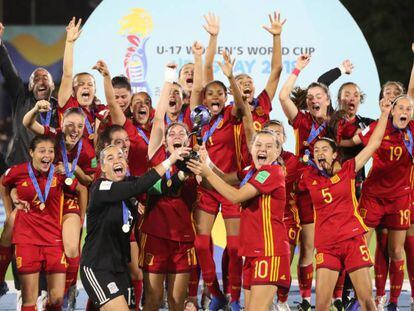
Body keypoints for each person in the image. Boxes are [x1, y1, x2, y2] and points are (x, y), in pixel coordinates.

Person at [187, 130, 290, 311]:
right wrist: (207, 162)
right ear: (251, 148)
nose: (262, 149)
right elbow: (226, 179)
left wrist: (206, 173)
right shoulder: (250, 171)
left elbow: (236, 196)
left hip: (269, 252)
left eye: (268, 146)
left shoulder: (271, 172)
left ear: (278, 151)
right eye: (258, 145)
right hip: (252, 253)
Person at [80, 143, 185, 310]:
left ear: (126, 163)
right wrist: (170, 160)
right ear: (103, 168)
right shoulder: (100, 187)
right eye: (110, 158)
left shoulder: (129, 184)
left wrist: (182, 173)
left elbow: (160, 187)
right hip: (97, 267)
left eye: (120, 156)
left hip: (120, 268)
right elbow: (138, 186)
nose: (117, 160)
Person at [279, 53, 334, 310]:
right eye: (310, 97)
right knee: (304, 245)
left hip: (327, 190)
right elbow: (282, 97)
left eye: (318, 96)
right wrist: (297, 69)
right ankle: (303, 299)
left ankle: (329, 297)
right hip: (302, 190)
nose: (313, 99)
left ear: (328, 99)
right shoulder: (301, 120)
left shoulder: (337, 124)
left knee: (320, 246)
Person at [140, 65, 198, 310]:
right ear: (164, 139)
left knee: (177, 301)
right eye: (171, 131)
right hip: (154, 234)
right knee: (152, 300)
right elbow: (158, 117)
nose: (175, 133)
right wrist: (168, 79)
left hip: (183, 238)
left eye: (181, 132)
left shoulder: (196, 162)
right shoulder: (156, 155)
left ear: (188, 140)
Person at [2, 135, 80, 310]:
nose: (47, 155)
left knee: (57, 299)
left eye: (51, 151)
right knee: (29, 300)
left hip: (53, 240)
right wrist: (10, 210)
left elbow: (81, 188)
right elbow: (3, 183)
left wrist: (80, 216)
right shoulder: (18, 171)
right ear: (31, 152)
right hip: (27, 240)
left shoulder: (59, 174)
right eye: (42, 151)